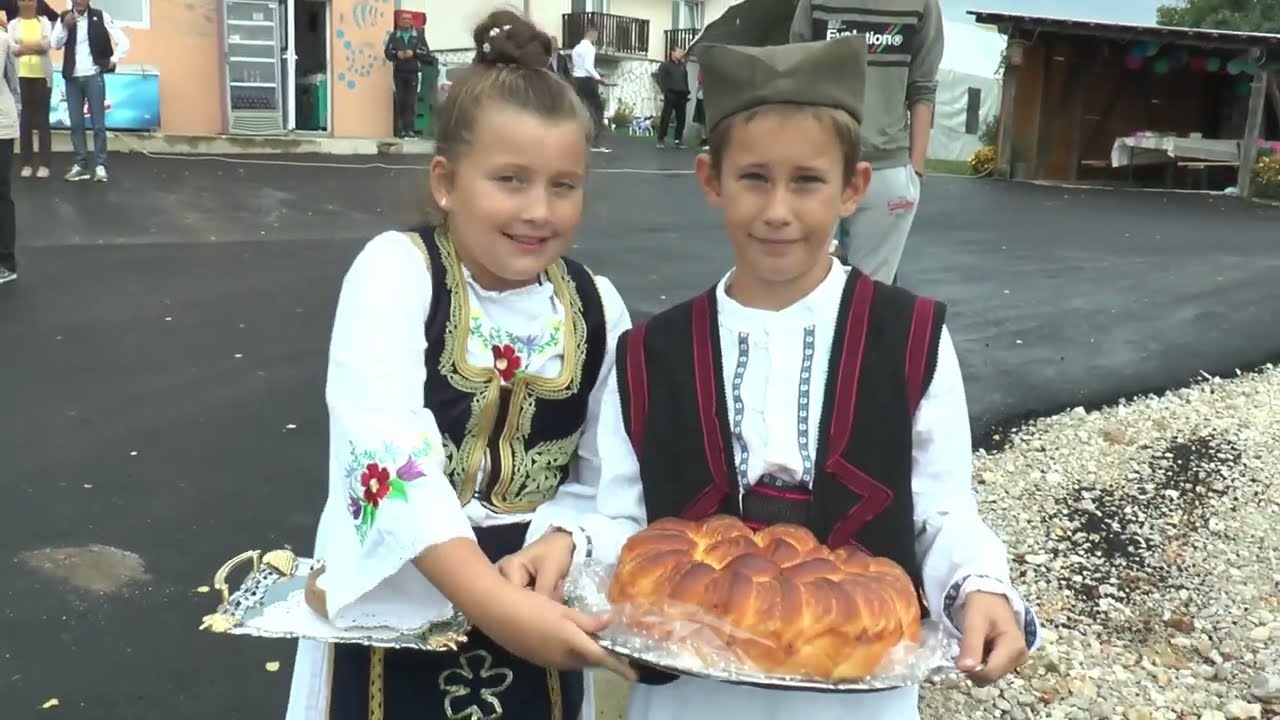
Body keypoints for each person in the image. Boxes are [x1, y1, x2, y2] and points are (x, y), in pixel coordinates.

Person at [499, 35, 1040, 720]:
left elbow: (939, 507)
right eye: (754, 177)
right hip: (689, 698)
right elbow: (614, 512)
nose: (779, 210)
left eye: (807, 180)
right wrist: (565, 543)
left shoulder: (910, 340)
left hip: (857, 696)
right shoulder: (650, 354)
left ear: (853, 188)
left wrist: (980, 590)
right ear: (711, 181)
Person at [284, 9, 637, 720]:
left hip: (537, 600)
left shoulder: (598, 306)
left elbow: (615, 480)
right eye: (510, 179)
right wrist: (495, 607)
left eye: (564, 185)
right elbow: (383, 459)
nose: (538, 210)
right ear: (446, 181)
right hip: (398, 604)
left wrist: (570, 540)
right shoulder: (396, 272)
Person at [790, 0, 942, 283]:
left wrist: (915, 171)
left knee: (869, 298)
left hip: (887, 172)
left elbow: (923, 86)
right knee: (800, 286)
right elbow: (798, 76)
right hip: (821, 166)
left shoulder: (922, 4)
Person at [50, 0, 129, 183]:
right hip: (73, 78)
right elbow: (55, 44)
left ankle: (101, 165)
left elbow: (123, 40)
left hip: (94, 76)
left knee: (98, 124)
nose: (78, 1)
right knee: (76, 124)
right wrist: (64, 26)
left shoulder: (100, 16)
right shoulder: (65, 17)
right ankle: (81, 165)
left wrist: (114, 59)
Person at [10, 0, 52, 178]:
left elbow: (46, 45)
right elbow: (12, 48)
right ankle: (26, 163)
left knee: (42, 120)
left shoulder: (44, 23)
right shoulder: (13, 24)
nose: (27, 2)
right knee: (24, 120)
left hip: (41, 76)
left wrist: (23, 47)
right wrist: (33, 46)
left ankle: (44, 164)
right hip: (21, 76)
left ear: (35, 3)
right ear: (19, 3)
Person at [383, 10, 433, 139]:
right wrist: (396, 55)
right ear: (399, 21)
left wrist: (414, 53)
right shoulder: (394, 36)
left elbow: (426, 51)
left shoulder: (418, 35)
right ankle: (401, 130)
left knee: (411, 101)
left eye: (409, 19)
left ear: (412, 21)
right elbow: (388, 52)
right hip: (398, 72)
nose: (406, 22)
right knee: (400, 101)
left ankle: (409, 130)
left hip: (413, 72)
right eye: (404, 19)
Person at [570, 26, 609, 152]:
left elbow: (578, 66)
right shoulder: (590, 48)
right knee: (597, 110)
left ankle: (576, 139)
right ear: (592, 35)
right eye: (596, 36)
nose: (597, 38)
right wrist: (600, 79)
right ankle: (594, 142)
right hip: (587, 81)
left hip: (577, 80)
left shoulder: (576, 48)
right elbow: (588, 67)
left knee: (579, 110)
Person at [0, 23, 17, 285]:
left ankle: (5, 261)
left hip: (1, 125)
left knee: (0, 192)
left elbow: (14, 84)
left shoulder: (2, 39)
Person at [654, 46, 689, 149]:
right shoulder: (665, 65)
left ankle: (678, 140)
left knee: (681, 118)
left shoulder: (682, 66)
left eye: (682, 52)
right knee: (666, 117)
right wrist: (666, 92)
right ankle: (661, 139)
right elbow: (661, 80)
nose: (681, 54)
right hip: (671, 94)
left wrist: (686, 92)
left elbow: (685, 80)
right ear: (672, 53)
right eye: (679, 52)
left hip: (681, 95)